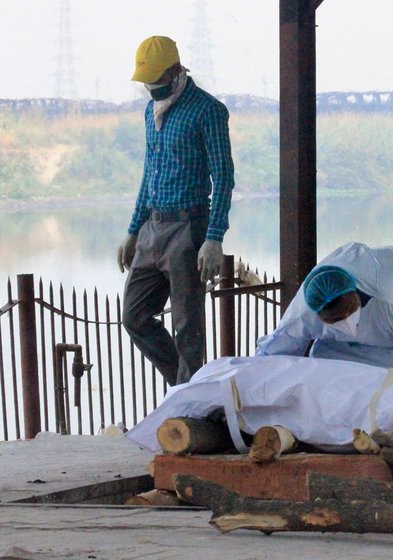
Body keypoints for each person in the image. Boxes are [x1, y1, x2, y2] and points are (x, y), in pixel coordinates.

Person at [117, 36, 235, 386]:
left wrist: (213, 239)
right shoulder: (149, 111)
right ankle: (183, 386)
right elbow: (149, 173)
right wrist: (133, 228)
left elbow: (224, 178)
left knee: (188, 328)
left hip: (188, 226)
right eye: (146, 82)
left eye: (156, 79)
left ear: (175, 70)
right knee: (134, 316)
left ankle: (189, 405)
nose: (151, 87)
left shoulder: (207, 110)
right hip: (153, 225)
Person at [256, 242, 393, 378]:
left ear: (356, 294)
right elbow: (273, 353)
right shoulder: (303, 314)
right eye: (335, 321)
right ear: (317, 314)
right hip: (384, 304)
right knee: (324, 365)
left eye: (349, 313)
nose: (346, 324)